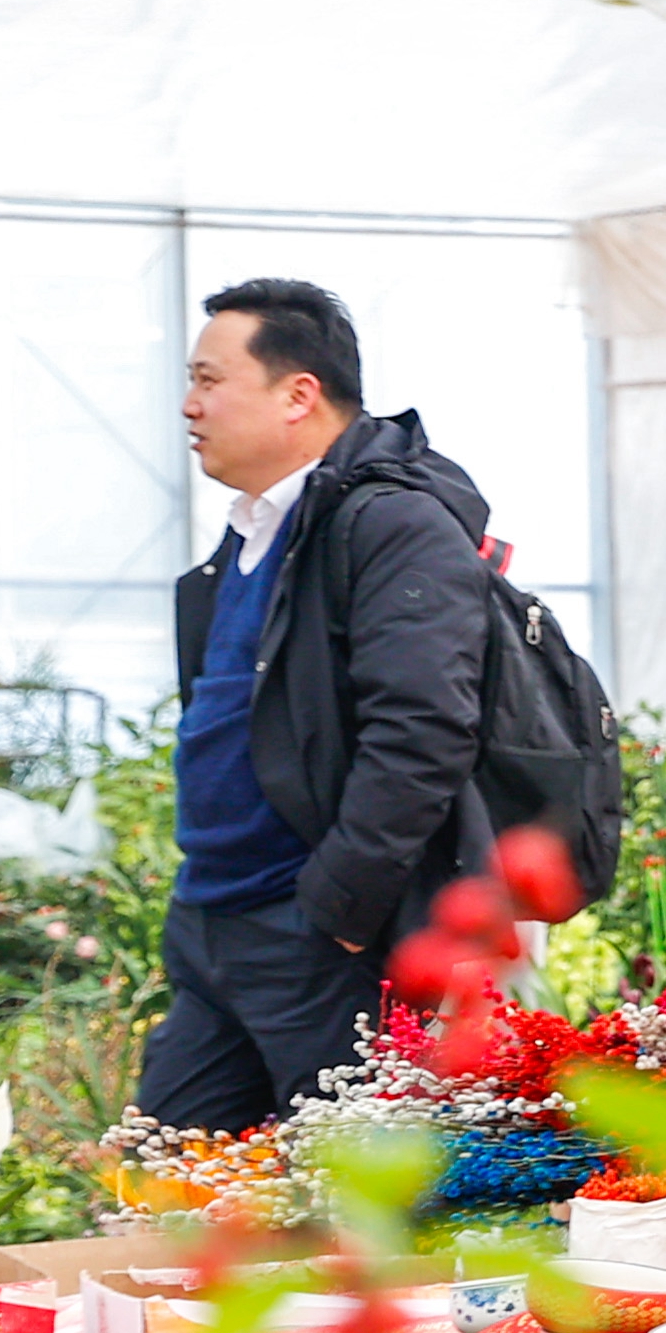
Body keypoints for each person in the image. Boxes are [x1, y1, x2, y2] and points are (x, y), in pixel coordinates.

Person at [139, 277, 500, 1132]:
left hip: (311, 933)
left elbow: (422, 732)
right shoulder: (258, 529)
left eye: (209, 380)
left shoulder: (390, 523)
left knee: (347, 1208)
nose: (190, 406)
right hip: (214, 920)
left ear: (298, 394)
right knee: (171, 1178)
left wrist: (338, 908)